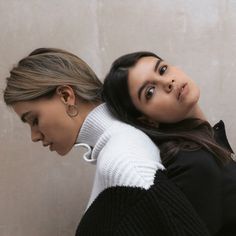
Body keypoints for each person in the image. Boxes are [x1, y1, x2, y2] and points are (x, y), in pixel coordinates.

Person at [3, 48, 210, 236]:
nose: (35, 135)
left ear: (66, 96)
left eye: (34, 120)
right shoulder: (116, 152)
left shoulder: (127, 162)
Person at [102, 51, 236, 236]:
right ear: (147, 121)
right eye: (150, 91)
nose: (168, 83)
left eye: (163, 69)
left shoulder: (202, 144)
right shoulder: (192, 164)